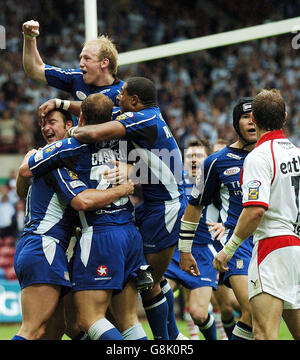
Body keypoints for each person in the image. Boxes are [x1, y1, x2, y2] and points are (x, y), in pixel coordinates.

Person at [65, 77, 187, 340]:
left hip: (165, 207)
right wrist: (63, 103)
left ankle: (171, 340)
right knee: (145, 279)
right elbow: (98, 112)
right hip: (148, 206)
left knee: (150, 282)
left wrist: (71, 134)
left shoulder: (144, 118)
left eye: (122, 95)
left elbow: (95, 131)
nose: (117, 98)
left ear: (135, 101)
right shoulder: (144, 117)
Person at [19, 93, 147, 341]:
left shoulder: (66, 150)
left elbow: (28, 171)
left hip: (98, 234)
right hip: (130, 234)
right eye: (43, 124)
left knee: (87, 320)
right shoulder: (124, 140)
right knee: (125, 321)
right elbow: (155, 162)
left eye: (52, 121)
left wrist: (31, 155)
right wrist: (131, 174)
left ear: (77, 120)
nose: (46, 127)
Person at [213, 89, 300, 340]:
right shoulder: (296, 153)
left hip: (272, 249)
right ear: (284, 116)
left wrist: (228, 249)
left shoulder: (259, 156)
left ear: (254, 119)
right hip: (296, 248)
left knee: (263, 333)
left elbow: (255, 211)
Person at [179, 97, 257, 340]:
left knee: (267, 316)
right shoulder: (216, 162)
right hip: (238, 245)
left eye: (256, 116)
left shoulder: (272, 155)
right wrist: (184, 249)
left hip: (272, 241)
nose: (252, 120)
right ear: (236, 123)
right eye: (245, 116)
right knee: (253, 312)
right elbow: (195, 206)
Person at [165, 138, 224, 340]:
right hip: (175, 250)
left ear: (207, 159)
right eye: (189, 156)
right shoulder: (174, 181)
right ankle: (176, 338)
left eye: (198, 156)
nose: (193, 159)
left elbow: (236, 206)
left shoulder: (216, 182)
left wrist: (225, 225)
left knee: (199, 314)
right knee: (156, 293)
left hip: (202, 251)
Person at [22, 20, 123, 122]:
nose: (81, 63)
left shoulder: (122, 92)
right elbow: (35, 69)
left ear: (104, 63)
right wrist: (29, 37)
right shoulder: (77, 77)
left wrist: (60, 103)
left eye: (87, 58)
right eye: (81, 58)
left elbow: (95, 109)